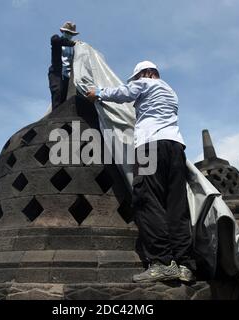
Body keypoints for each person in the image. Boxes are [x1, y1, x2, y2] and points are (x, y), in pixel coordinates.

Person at [86, 61, 195, 283]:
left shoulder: (145, 83)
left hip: (150, 147)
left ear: (144, 74)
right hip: (175, 148)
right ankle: (185, 264)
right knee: (176, 204)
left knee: (147, 200)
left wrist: (97, 93)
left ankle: (162, 263)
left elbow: (124, 93)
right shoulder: (171, 92)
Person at [48, 21, 79, 109]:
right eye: (67, 32)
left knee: (66, 99)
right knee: (57, 92)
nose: (69, 34)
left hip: (68, 76)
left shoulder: (75, 47)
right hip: (56, 73)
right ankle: (54, 120)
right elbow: (55, 40)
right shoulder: (57, 40)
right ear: (63, 32)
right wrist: (72, 43)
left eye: (71, 33)